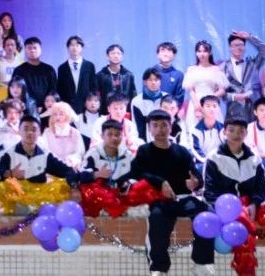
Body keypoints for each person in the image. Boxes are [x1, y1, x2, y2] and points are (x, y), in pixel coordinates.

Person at [204, 118, 265, 276]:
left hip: (253, 204)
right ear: (224, 132)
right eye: (232, 130)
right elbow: (209, 193)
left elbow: (262, 187)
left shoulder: (254, 157)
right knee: (242, 229)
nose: (236, 134)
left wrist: (254, 203)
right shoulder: (214, 157)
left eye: (241, 131)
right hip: (227, 209)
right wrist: (230, 210)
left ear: (246, 133)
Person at [131, 110, 215, 276]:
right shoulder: (144, 150)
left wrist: (196, 182)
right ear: (149, 129)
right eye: (155, 126)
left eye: (164, 125)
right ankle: (159, 268)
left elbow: (195, 175)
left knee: (207, 214)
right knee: (156, 218)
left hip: (184, 198)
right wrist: (160, 182)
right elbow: (138, 173)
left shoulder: (182, 151)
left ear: (170, 127)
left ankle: (202, 262)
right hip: (160, 200)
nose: (160, 129)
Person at [0, 115, 75, 215]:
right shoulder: (10, 154)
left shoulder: (45, 155)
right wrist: (10, 173)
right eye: (26, 129)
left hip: (40, 198)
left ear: (39, 133)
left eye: (34, 130)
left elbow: (66, 170)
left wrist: (73, 183)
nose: (30, 133)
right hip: (17, 200)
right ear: (19, 132)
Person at [76, 121, 157, 218]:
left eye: (117, 135)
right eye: (110, 135)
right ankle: (112, 211)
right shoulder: (93, 154)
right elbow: (80, 177)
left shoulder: (128, 155)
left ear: (122, 137)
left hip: (121, 194)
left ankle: (121, 211)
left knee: (146, 188)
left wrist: (128, 183)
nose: (114, 138)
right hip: (101, 195)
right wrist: (97, 174)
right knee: (91, 191)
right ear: (102, 136)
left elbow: (138, 175)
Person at [222, 31, 265, 122]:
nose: (238, 48)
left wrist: (249, 37)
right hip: (234, 111)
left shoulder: (252, 64)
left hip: (254, 110)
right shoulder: (222, 67)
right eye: (235, 45)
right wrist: (235, 96)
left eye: (241, 45)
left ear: (244, 47)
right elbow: (222, 94)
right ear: (230, 47)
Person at [183, 41, 227, 130]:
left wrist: (209, 100)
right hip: (196, 102)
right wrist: (197, 104)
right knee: (195, 129)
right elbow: (191, 90)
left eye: (205, 51)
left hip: (212, 103)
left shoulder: (216, 69)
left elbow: (222, 90)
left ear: (210, 53)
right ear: (196, 53)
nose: (202, 54)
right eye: (199, 51)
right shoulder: (192, 69)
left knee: (214, 130)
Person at [10, 37, 56, 106]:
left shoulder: (49, 69)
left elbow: (53, 90)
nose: (32, 51)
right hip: (24, 108)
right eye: (29, 48)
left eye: (35, 48)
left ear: (40, 50)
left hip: (46, 108)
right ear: (25, 50)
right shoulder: (18, 70)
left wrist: (45, 106)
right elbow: (15, 91)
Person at [56, 36, 98, 109]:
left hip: (85, 106)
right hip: (68, 107)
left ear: (82, 48)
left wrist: (90, 103)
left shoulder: (89, 66)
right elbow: (60, 89)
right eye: (72, 45)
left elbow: (93, 87)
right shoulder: (62, 68)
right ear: (68, 48)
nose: (74, 47)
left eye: (77, 45)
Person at [188, 96, 226, 172]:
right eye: (208, 106)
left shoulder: (224, 129)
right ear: (202, 109)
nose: (212, 109)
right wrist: (210, 163)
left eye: (214, 106)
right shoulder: (195, 130)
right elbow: (196, 151)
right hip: (202, 163)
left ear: (219, 109)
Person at [94, 44, 135, 112]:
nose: (116, 56)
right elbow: (97, 96)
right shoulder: (100, 75)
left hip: (124, 111)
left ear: (122, 56)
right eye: (113, 53)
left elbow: (133, 95)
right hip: (105, 111)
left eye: (118, 53)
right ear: (107, 56)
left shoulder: (128, 75)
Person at [131, 69, 170, 137]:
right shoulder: (136, 101)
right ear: (144, 82)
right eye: (150, 80)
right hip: (145, 139)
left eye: (156, 80)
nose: (153, 83)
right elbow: (136, 126)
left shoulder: (167, 97)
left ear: (160, 82)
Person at [151, 42, 186, 107]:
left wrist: (170, 108)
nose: (165, 54)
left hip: (170, 110)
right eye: (162, 51)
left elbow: (179, 98)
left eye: (169, 51)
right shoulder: (150, 72)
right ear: (157, 55)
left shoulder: (178, 75)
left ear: (174, 55)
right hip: (153, 110)